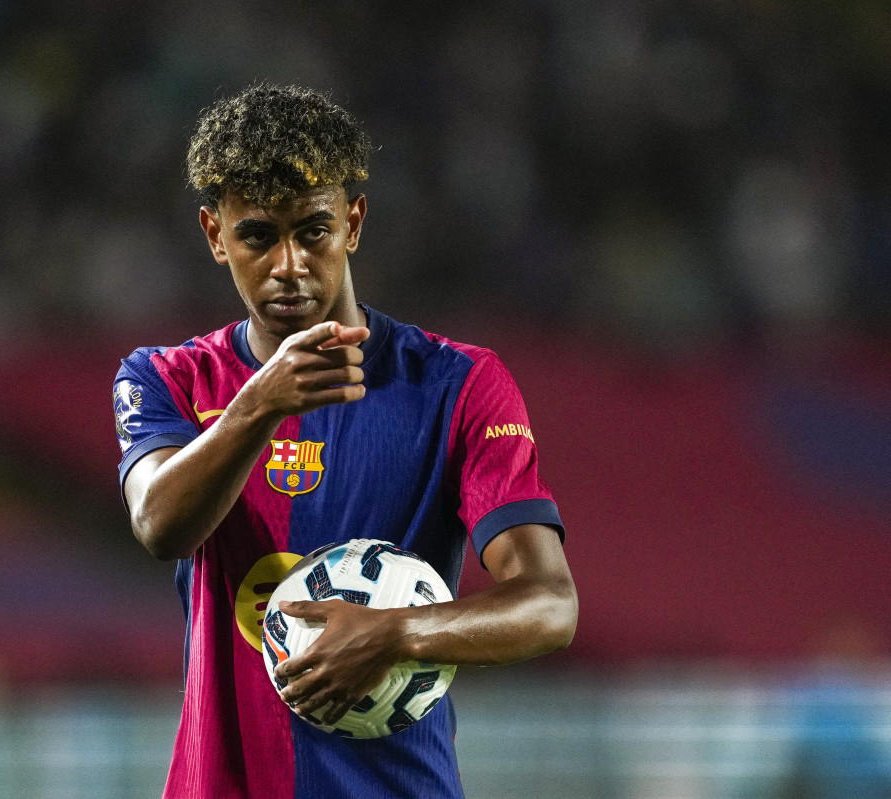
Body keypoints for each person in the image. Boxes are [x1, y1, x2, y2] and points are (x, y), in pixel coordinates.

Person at [113, 83, 577, 799]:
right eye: (258, 236)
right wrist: (260, 403)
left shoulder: (457, 384)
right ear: (214, 235)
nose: (289, 264)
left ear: (353, 222)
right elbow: (159, 525)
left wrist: (396, 633)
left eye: (313, 230)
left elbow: (548, 604)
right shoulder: (168, 378)